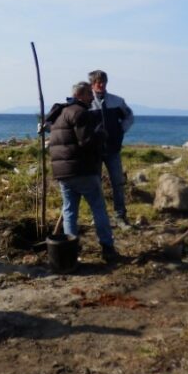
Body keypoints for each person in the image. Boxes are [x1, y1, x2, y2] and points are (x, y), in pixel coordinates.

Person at [46, 81, 119, 263]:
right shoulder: (80, 113)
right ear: (81, 95)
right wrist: (101, 135)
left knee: (70, 211)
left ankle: (71, 249)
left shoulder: (60, 113)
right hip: (82, 170)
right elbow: (86, 142)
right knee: (98, 209)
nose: (91, 98)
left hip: (63, 172)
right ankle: (107, 248)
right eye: (89, 95)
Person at [87, 69, 135, 227]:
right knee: (95, 184)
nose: (101, 85)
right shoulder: (86, 103)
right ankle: (98, 216)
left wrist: (121, 130)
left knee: (118, 183)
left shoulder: (117, 101)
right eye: (97, 82)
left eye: (103, 81)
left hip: (113, 150)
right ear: (91, 84)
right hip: (94, 152)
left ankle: (120, 216)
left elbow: (129, 116)